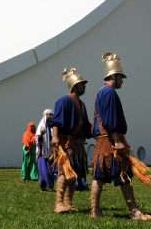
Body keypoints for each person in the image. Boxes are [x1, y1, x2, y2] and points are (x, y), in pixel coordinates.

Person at [90, 53, 151, 221]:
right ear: (114, 76)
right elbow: (111, 121)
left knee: (99, 177)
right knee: (123, 175)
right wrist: (118, 142)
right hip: (111, 142)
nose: (122, 81)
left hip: (102, 141)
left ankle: (95, 211)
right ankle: (134, 211)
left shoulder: (100, 92)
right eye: (121, 78)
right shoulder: (109, 93)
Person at [51, 67, 93, 213]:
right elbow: (56, 122)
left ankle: (68, 203)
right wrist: (55, 137)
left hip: (77, 145)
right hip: (66, 143)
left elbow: (86, 126)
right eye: (82, 84)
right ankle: (58, 203)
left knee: (74, 175)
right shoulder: (63, 101)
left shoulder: (82, 104)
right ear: (75, 86)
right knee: (64, 173)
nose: (84, 86)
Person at [36, 109, 55, 191]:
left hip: (50, 151)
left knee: (50, 170)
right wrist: (42, 134)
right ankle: (44, 186)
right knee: (44, 170)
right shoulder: (41, 126)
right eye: (48, 114)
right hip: (42, 152)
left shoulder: (51, 127)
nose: (50, 116)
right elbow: (37, 139)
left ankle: (50, 185)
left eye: (51, 114)